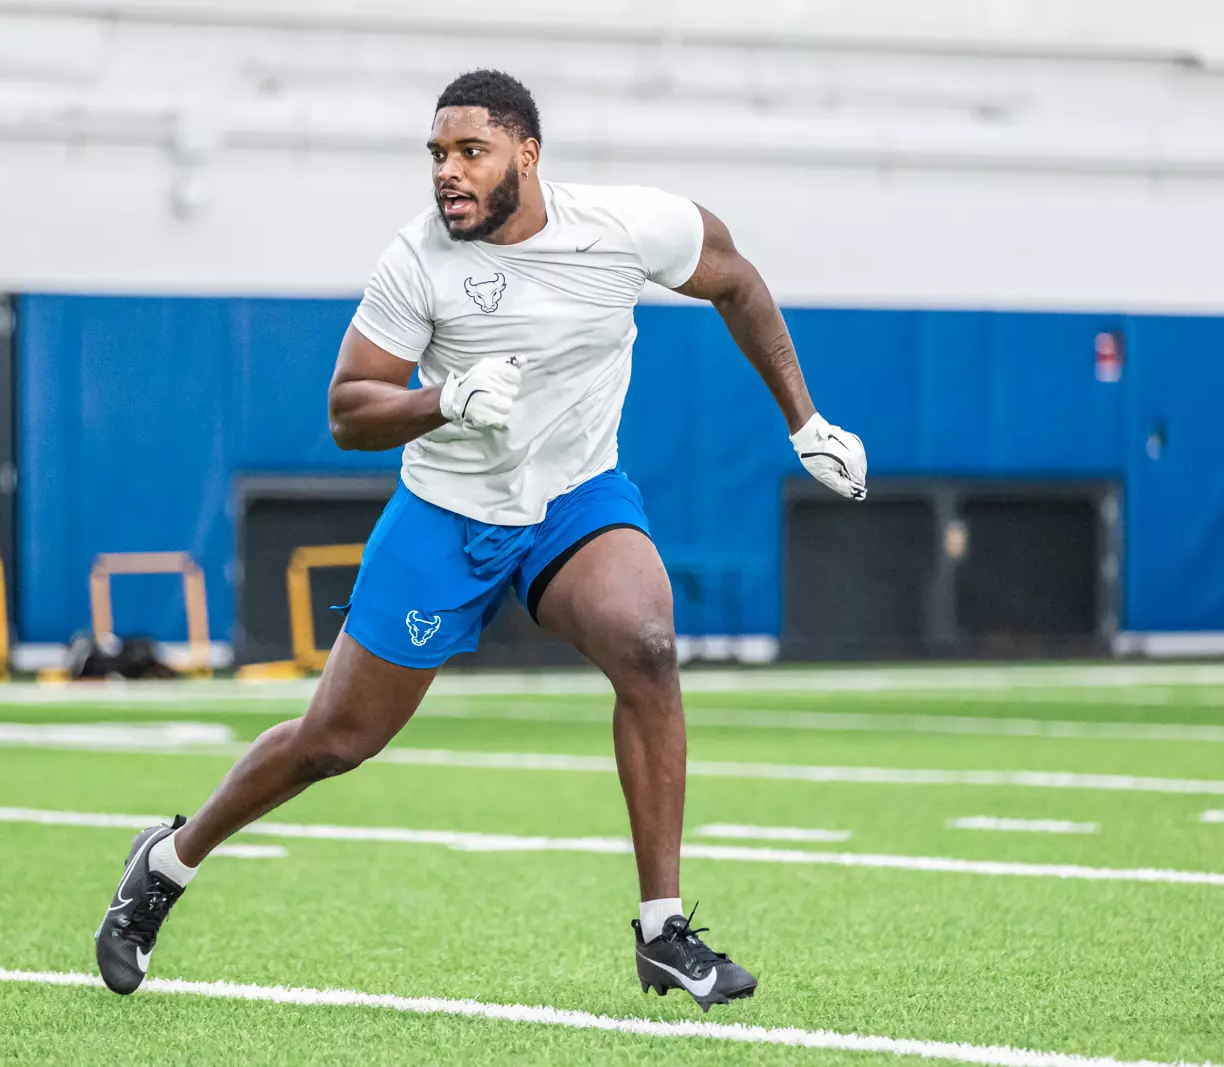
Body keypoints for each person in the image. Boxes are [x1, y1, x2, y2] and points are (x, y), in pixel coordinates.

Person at [95, 68, 866, 1011]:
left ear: (526, 155)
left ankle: (663, 929)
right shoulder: (417, 262)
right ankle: (167, 861)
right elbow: (347, 410)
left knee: (649, 647)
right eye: (437, 155)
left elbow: (736, 280)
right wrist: (442, 398)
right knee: (336, 740)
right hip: (450, 514)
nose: (447, 174)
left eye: (470, 153)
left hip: (575, 500)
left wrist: (806, 422)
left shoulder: (626, 227)